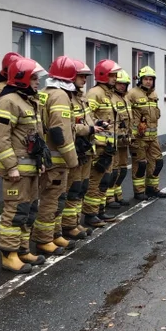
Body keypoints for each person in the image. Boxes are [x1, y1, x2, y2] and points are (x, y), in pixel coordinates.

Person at [0, 57, 48, 273]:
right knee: (14, 212)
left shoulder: (29, 101)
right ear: (22, 78)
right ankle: (9, 255)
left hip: (31, 167)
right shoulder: (9, 101)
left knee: (29, 210)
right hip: (17, 170)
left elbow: (36, 136)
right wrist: (11, 165)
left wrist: (41, 161)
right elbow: (0, 136)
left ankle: (23, 250)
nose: (37, 82)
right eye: (34, 78)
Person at [33, 56, 81, 256]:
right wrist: (73, 160)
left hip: (49, 157)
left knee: (56, 199)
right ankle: (44, 240)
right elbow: (60, 133)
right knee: (52, 200)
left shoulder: (45, 93)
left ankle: (55, 234)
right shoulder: (60, 96)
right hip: (57, 159)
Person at [83, 59, 121, 225]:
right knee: (95, 181)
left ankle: (100, 210)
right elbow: (88, 119)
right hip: (99, 147)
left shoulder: (109, 95)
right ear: (103, 75)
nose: (115, 78)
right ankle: (91, 215)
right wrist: (98, 141)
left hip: (109, 147)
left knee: (105, 180)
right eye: (112, 75)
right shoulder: (95, 93)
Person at [60, 60, 94, 241]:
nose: (84, 80)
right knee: (72, 188)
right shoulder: (65, 98)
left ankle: (75, 222)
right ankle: (68, 225)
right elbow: (70, 126)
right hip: (74, 148)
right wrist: (90, 130)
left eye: (85, 76)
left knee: (81, 187)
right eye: (81, 76)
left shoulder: (81, 97)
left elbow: (87, 120)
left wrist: (96, 127)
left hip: (85, 148)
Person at [126, 65, 166, 201]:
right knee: (140, 164)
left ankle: (152, 188)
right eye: (146, 79)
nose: (148, 81)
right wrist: (132, 133)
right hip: (139, 138)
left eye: (151, 79)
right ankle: (139, 192)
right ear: (140, 80)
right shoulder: (132, 94)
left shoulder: (154, 94)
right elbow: (126, 116)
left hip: (153, 137)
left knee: (156, 162)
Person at [108, 69, 133, 209]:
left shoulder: (126, 98)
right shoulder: (111, 98)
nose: (122, 86)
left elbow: (129, 120)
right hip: (114, 141)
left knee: (123, 169)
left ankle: (118, 194)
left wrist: (131, 136)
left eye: (125, 84)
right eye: (119, 83)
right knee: (114, 169)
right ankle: (109, 197)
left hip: (125, 140)